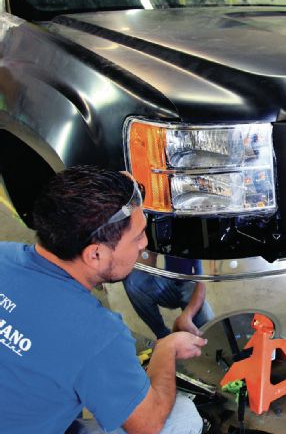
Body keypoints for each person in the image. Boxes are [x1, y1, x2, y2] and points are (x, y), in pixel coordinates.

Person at [0, 166, 207, 433]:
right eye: (137, 237)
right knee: (183, 418)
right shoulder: (97, 336)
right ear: (95, 255)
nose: (144, 244)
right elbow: (147, 424)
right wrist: (165, 349)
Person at [124, 257, 214, 339]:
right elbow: (145, 264)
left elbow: (201, 283)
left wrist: (188, 315)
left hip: (189, 284)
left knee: (209, 330)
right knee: (133, 281)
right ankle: (163, 336)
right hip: (166, 280)